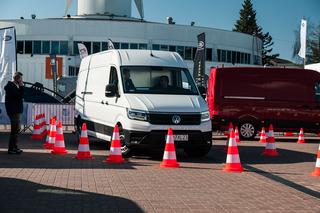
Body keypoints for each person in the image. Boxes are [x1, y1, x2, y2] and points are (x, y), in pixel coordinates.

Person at [4, 72, 24, 154]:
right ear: (17, 79)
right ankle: (11, 149)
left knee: (17, 129)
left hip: (16, 110)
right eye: (21, 79)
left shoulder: (14, 86)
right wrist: (22, 87)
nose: (22, 80)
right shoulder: (11, 87)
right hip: (14, 111)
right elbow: (19, 96)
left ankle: (15, 147)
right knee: (15, 129)